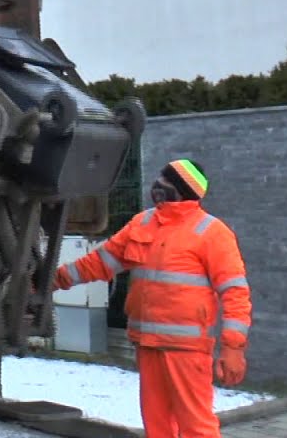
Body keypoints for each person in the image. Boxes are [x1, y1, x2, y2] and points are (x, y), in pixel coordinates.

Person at [52, 158, 251, 438]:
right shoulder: (143, 222)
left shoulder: (212, 233)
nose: (159, 184)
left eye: (167, 180)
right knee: (157, 426)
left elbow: (234, 292)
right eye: (161, 177)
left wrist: (233, 348)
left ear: (182, 189)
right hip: (148, 344)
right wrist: (54, 279)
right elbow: (100, 263)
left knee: (196, 427)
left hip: (187, 349)